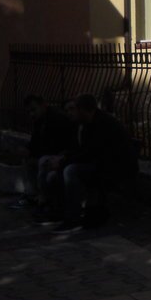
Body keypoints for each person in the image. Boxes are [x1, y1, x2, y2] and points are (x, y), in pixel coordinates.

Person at [50, 93, 137, 233]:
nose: (73, 113)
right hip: (103, 165)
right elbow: (83, 151)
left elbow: (91, 152)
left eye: (76, 109)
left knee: (70, 171)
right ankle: (61, 212)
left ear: (84, 110)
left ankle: (73, 219)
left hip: (116, 168)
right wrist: (63, 160)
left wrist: (64, 162)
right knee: (63, 170)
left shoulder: (104, 124)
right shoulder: (88, 124)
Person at [12, 96, 74, 211]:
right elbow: (35, 141)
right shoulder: (39, 120)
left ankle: (44, 199)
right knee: (28, 161)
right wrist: (27, 150)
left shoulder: (56, 118)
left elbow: (56, 145)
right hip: (49, 153)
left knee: (43, 162)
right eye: (29, 111)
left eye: (33, 110)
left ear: (43, 105)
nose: (31, 114)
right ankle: (32, 195)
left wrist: (35, 152)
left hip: (58, 155)